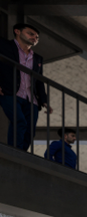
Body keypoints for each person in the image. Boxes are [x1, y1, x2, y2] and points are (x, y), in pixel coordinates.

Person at [0, 24, 49, 152]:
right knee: (19, 122)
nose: (34, 38)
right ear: (17, 31)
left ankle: (21, 154)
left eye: (37, 37)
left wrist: (44, 100)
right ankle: (14, 154)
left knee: (30, 131)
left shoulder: (37, 58)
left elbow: (38, 80)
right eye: (30, 34)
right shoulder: (4, 46)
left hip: (31, 99)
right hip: (9, 92)